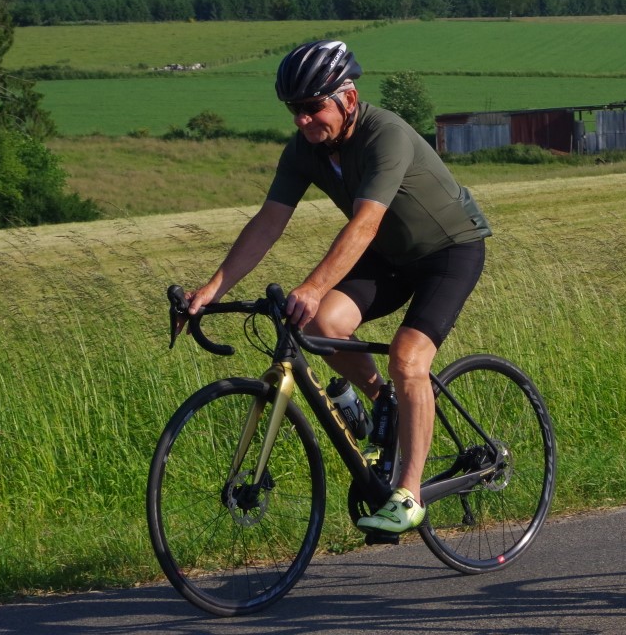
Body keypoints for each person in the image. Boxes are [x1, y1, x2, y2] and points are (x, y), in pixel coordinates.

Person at [185, 39, 492, 534]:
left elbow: (366, 224)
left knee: (408, 358)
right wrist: (213, 288)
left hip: (448, 251)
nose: (303, 120)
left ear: (348, 98)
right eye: (294, 110)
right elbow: (268, 222)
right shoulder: (304, 150)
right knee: (323, 324)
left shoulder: (385, 135)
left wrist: (311, 285)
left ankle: (408, 495)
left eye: (312, 107)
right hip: (391, 256)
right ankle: (385, 402)